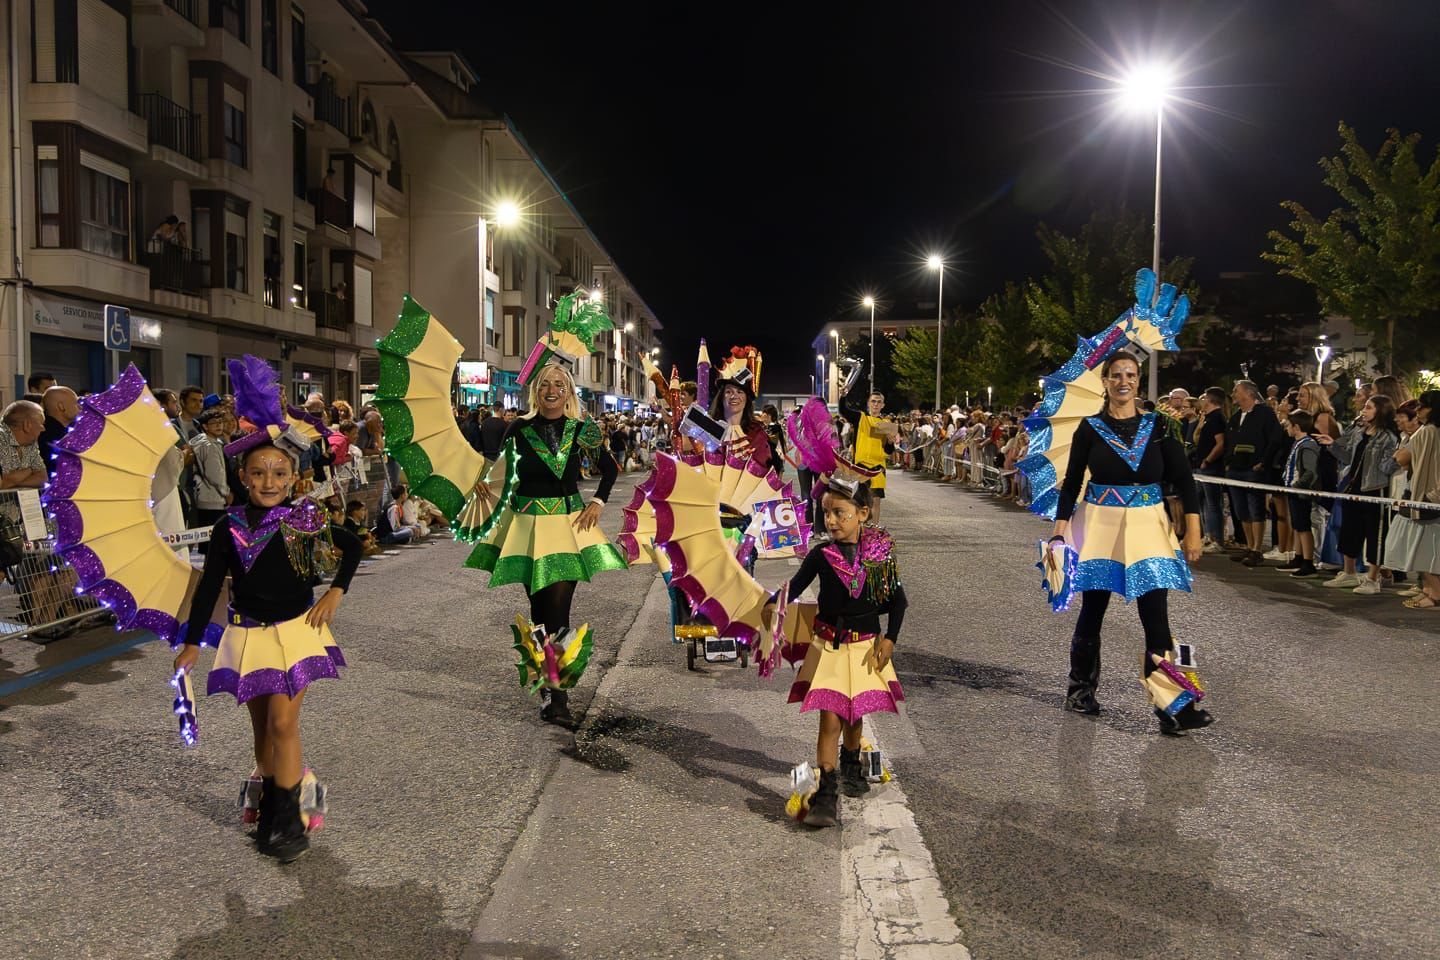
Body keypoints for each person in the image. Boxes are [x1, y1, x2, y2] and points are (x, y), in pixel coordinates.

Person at [172, 357, 362, 864]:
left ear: (294, 474)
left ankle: (289, 821)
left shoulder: (306, 516)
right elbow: (209, 584)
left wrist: (335, 592)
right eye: (259, 471)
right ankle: (279, 795)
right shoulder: (225, 526)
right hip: (246, 636)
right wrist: (192, 642)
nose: (269, 479)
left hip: (297, 632)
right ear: (243, 474)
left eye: (280, 471)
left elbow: (353, 546)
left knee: (283, 725)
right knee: (262, 733)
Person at [1049, 351, 1211, 735]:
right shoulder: (1089, 428)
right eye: (1117, 375)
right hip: (1100, 527)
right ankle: (1080, 690)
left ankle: (1172, 705)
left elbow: (1186, 481)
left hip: (1148, 526)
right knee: (1093, 610)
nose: (1124, 381)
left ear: (1139, 380)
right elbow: (1073, 483)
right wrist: (1059, 528)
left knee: (1156, 616)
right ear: (1105, 381)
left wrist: (1192, 530)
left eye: (1132, 374)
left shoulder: (1160, 426)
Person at [465, 361, 626, 728]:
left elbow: (610, 468)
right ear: (535, 391)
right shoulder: (518, 429)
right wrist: (486, 484)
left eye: (559, 384)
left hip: (567, 527)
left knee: (559, 612)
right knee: (538, 610)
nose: (551, 390)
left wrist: (598, 502)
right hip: (525, 527)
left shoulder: (581, 428)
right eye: (544, 385)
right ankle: (547, 685)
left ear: (568, 391)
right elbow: (503, 473)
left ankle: (560, 696)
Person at [764, 477, 906, 827]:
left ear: (862, 513)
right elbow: (794, 587)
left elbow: (898, 601)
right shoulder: (821, 555)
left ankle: (852, 762)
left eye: (839, 513)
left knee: (855, 714)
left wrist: (891, 639)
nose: (830, 521)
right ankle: (826, 794)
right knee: (830, 718)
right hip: (829, 646)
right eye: (826, 513)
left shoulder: (880, 556)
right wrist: (768, 605)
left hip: (865, 648)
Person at [1320, 394, 1400, 594]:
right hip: (1353, 488)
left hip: (1375, 489)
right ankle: (1349, 573)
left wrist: (1398, 458)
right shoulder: (1359, 432)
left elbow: (1385, 468)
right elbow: (1349, 458)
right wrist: (1332, 444)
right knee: (1349, 530)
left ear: (1380, 411)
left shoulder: (1388, 437)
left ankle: (1373, 578)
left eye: (1369, 407)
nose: (1364, 410)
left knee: (1375, 534)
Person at [1384, 390, 1440, 609]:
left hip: (1424, 497)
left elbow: (1404, 460)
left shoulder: (1428, 432)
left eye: (1423, 406)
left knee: (1421, 548)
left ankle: (1434, 593)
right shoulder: (1428, 431)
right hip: (1423, 496)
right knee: (1424, 547)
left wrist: (1430, 495)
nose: (1418, 411)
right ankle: (1428, 589)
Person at [1224, 380, 1285, 566]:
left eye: (1236, 390)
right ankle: (1249, 547)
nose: (1233, 394)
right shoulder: (1236, 416)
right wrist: (1228, 462)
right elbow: (1229, 440)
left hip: (1254, 470)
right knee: (1242, 510)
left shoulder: (1265, 413)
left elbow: (1274, 439)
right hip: (1236, 469)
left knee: (1256, 508)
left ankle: (1257, 549)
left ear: (1249, 393)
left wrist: (1263, 462)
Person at [1276, 410, 1323, 578]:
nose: (1286, 428)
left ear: (1296, 427)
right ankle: (1298, 557)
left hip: (1300, 492)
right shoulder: (1298, 443)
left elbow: (1310, 471)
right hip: (1293, 491)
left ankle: (1308, 562)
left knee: (1303, 527)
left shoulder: (1308, 444)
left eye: (1288, 425)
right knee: (1297, 526)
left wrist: (1298, 485)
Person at [189, 407, 234, 551]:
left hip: (205, 497)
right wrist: (226, 492)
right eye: (214, 423)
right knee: (214, 543)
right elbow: (215, 474)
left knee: (208, 543)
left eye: (220, 422)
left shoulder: (204, 441)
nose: (219, 426)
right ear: (205, 426)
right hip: (213, 499)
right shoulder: (210, 445)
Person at [711, 372, 773, 470]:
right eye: (728, 392)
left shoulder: (757, 433)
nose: (734, 396)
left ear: (746, 400)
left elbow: (764, 469)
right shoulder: (709, 429)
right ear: (721, 398)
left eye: (740, 392)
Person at [1191, 387, 1228, 552]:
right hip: (1201, 466)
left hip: (1210, 467)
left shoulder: (1217, 418)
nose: (1201, 401)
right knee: (1203, 503)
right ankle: (1208, 535)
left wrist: (1208, 460)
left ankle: (1216, 539)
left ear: (1210, 400)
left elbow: (1221, 442)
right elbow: (1197, 439)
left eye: (1204, 398)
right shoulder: (1207, 418)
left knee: (1213, 504)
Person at [38, 385, 79, 475]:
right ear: (61, 406)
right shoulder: (51, 436)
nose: (80, 407)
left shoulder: (49, 430)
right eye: (76, 403)